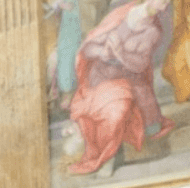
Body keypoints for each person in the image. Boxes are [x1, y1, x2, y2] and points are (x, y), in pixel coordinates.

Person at [68, 0, 175, 175]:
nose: (162, 7)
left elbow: (139, 65)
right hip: (103, 76)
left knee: (122, 109)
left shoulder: (152, 32)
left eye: (165, 3)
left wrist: (119, 54)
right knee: (102, 109)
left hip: (131, 80)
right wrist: (104, 52)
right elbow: (89, 48)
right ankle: (98, 151)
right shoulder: (119, 18)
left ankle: (106, 155)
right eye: (160, 2)